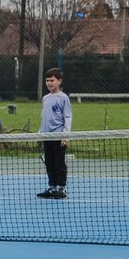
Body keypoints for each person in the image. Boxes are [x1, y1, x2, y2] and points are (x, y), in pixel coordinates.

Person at [37, 68, 72, 199]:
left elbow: (68, 117)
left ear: (59, 81)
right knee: (49, 163)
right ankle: (52, 188)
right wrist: (40, 133)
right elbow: (44, 116)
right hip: (46, 136)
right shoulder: (45, 98)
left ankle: (61, 189)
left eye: (52, 80)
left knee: (59, 163)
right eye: (47, 80)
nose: (49, 83)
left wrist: (65, 135)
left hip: (58, 136)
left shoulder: (63, 98)